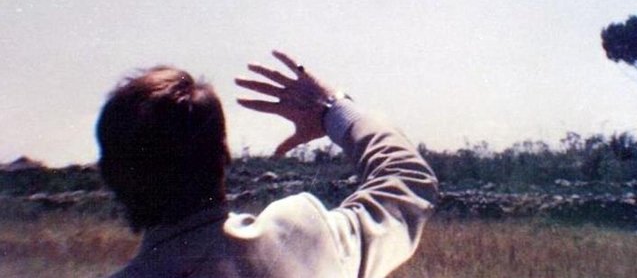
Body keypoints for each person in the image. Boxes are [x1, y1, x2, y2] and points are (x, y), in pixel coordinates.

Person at [96, 50, 438, 278]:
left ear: (111, 175)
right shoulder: (303, 239)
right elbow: (407, 181)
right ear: (224, 156)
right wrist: (332, 110)